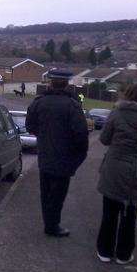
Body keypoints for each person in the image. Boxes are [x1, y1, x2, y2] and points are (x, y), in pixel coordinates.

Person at [26, 69, 89, 237]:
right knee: (58, 194)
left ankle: (50, 224)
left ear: (50, 82)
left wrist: (44, 137)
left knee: (46, 194)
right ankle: (53, 226)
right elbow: (81, 134)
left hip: (45, 156)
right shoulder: (72, 105)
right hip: (64, 158)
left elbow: (30, 126)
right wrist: (77, 159)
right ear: (67, 84)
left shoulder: (39, 102)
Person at [96, 83, 137, 264]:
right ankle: (124, 254)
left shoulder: (117, 113)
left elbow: (104, 139)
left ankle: (105, 251)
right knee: (130, 213)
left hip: (115, 168)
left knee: (109, 212)